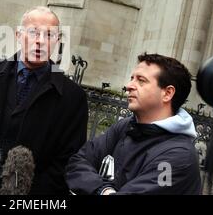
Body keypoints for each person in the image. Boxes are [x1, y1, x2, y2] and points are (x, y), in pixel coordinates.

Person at [0, 6, 89, 194]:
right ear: (18, 35)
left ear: (57, 40)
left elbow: (66, 163)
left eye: (49, 35)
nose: (40, 41)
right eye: (33, 32)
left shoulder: (73, 97)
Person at [66, 53, 201, 195]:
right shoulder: (124, 126)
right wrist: (104, 190)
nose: (129, 86)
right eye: (132, 78)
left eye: (141, 81)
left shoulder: (179, 156)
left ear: (167, 93)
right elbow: (77, 163)